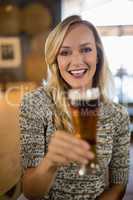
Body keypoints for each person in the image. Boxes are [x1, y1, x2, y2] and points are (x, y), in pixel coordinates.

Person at [19, 15, 130, 200]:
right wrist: (50, 163)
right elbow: (30, 192)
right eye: (65, 52)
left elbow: (119, 185)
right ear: (55, 60)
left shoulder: (118, 115)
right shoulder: (35, 103)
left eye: (86, 49)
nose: (77, 61)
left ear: (98, 54)